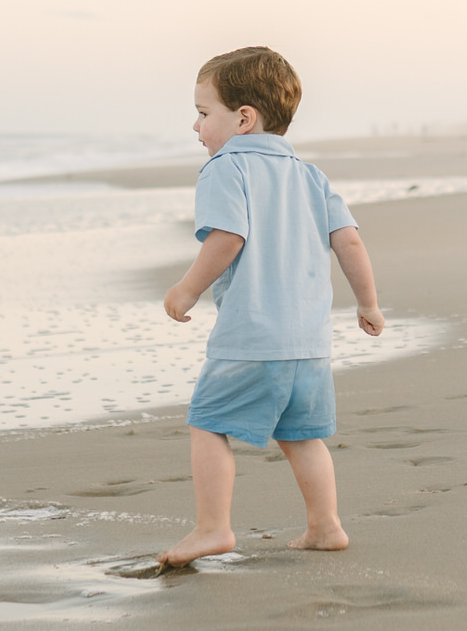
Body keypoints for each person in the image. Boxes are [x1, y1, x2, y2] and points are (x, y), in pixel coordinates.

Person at [157, 46, 383, 567]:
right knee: (302, 436)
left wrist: (188, 289)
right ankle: (325, 526)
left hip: (252, 336)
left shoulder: (225, 167)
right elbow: (349, 241)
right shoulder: (310, 175)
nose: (196, 127)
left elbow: (228, 237)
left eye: (203, 113)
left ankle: (213, 528)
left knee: (208, 422)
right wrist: (367, 302)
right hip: (308, 343)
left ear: (243, 118)